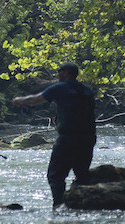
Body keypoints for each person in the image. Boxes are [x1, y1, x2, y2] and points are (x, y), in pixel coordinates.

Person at [10, 63, 97, 210]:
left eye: (60, 71)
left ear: (66, 73)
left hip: (68, 139)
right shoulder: (86, 91)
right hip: (88, 138)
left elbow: (36, 99)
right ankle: (83, 206)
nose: (58, 75)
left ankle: (59, 206)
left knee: (55, 175)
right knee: (82, 176)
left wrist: (20, 101)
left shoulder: (60, 88)